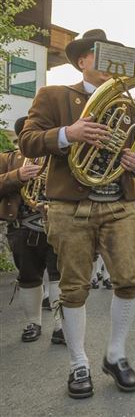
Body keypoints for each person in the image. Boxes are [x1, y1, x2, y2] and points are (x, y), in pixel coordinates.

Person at [19, 29, 135, 398]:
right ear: (82, 61)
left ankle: (116, 354)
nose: (113, 64)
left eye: (117, 57)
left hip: (119, 203)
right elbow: (28, 140)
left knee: (129, 279)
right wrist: (68, 133)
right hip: (70, 206)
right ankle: (79, 362)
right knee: (74, 286)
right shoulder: (54, 95)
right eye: (103, 56)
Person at [0, 116, 64, 344]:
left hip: (55, 224)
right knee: (28, 277)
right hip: (22, 227)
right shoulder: (8, 160)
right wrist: (17, 176)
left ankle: (60, 326)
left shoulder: (56, 158)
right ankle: (33, 323)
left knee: (59, 276)